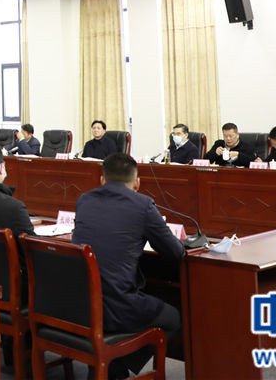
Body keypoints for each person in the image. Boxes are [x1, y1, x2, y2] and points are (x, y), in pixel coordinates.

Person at [72, 153, 184, 380]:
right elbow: (175, 252)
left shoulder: (84, 200)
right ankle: (115, 364)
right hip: (116, 307)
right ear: (137, 183)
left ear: (102, 180)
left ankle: (110, 364)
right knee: (173, 318)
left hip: (79, 305)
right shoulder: (143, 205)